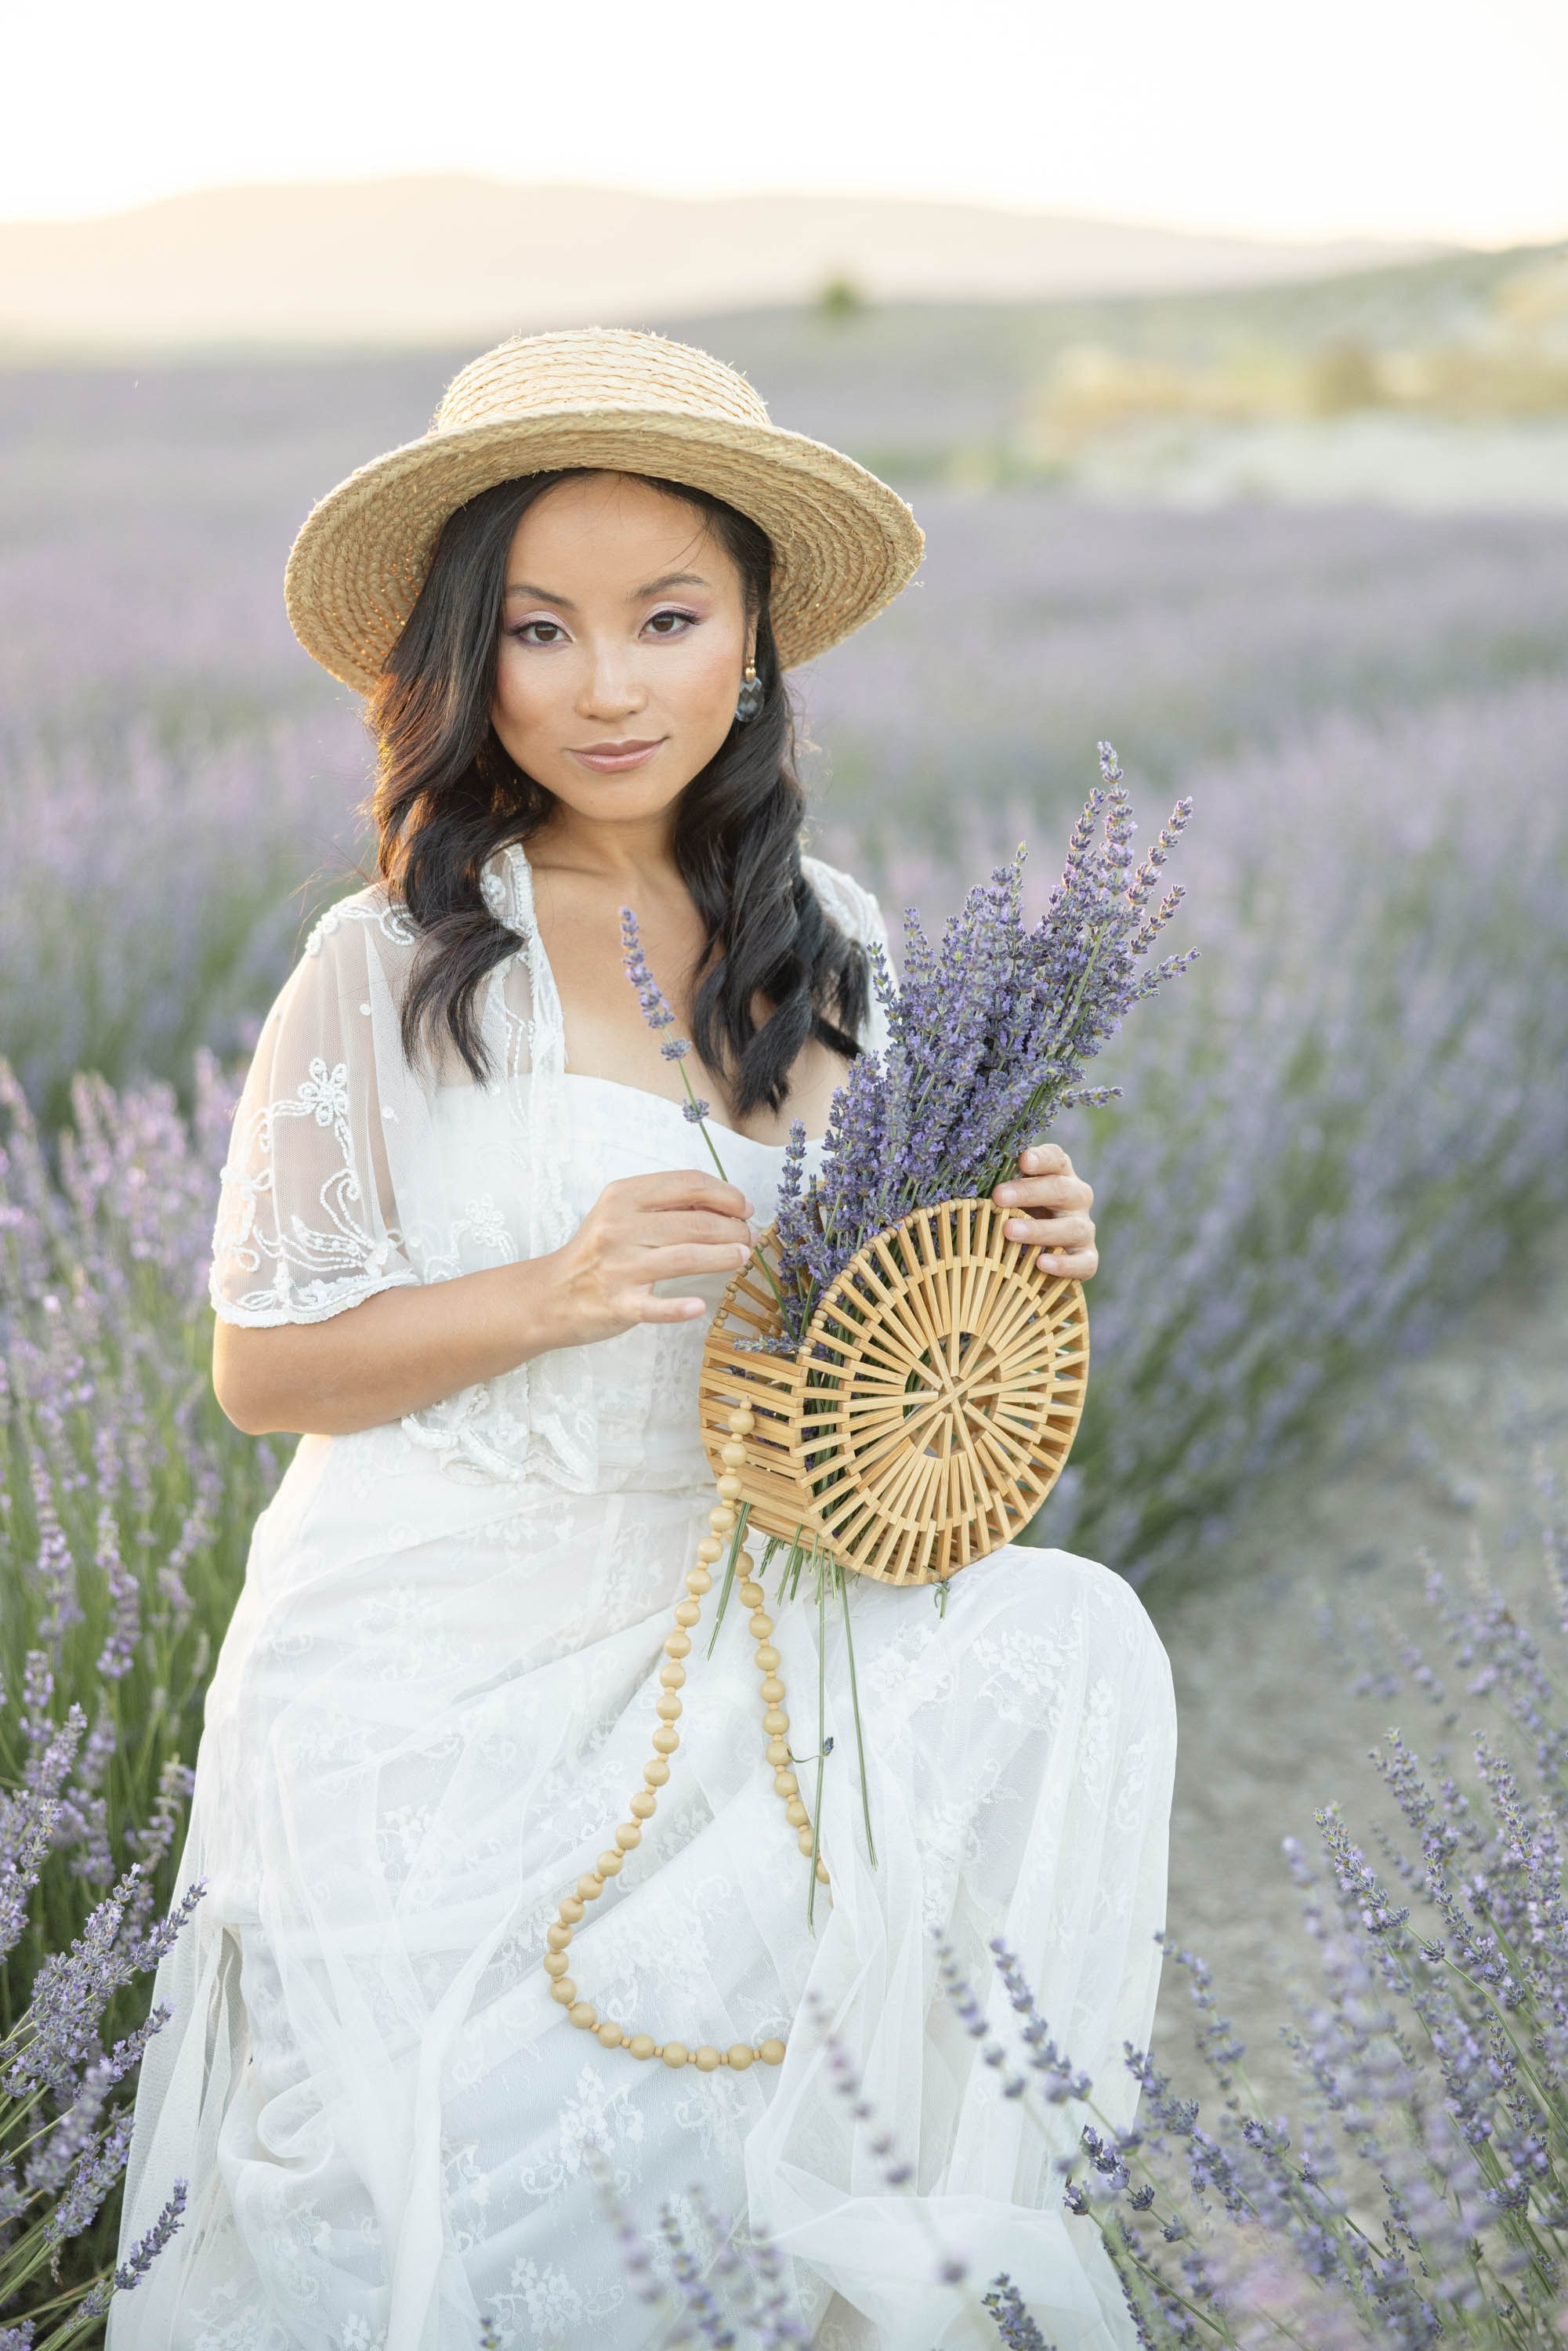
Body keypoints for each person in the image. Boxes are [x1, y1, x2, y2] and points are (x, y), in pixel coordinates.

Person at [109, 328, 1176, 2351]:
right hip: (434, 1677)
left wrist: (1020, 1251)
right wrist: (550, 1291)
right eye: (540, 629)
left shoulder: (839, 940)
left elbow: (869, 1334)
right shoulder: (397, 960)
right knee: (432, 2212)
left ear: (753, 643)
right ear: (467, 661)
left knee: (1057, 1664)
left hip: (755, 1647)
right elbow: (263, 1367)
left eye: (666, 620)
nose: (607, 685)